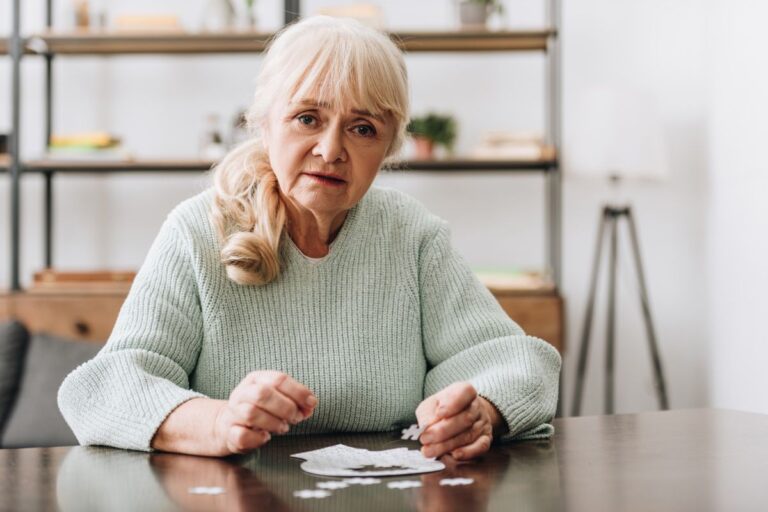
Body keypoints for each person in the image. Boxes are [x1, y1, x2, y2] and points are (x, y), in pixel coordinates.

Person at [58, 15, 561, 461]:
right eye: (307, 118)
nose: (330, 148)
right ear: (263, 125)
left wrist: (482, 412)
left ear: (389, 147)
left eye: (362, 128)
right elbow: (102, 390)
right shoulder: (196, 232)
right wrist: (217, 421)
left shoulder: (411, 235)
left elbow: (519, 361)